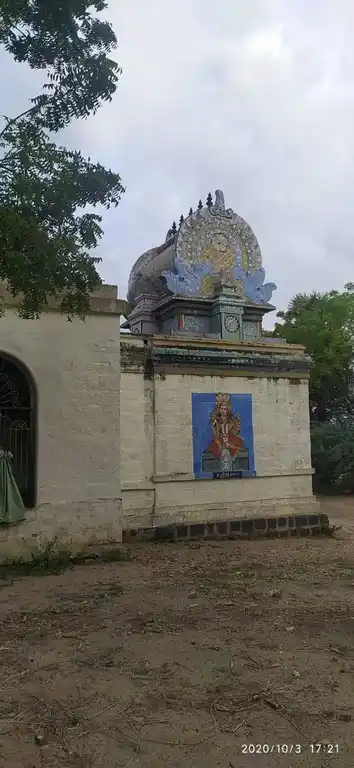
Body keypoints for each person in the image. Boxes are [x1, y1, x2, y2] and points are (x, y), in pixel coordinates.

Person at [208, 393, 244, 473]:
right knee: (224, 452)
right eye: (222, 409)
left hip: (231, 440)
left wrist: (237, 422)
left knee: (231, 451)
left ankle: (229, 469)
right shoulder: (216, 421)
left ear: (228, 410)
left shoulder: (232, 421)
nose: (223, 411)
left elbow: (236, 431)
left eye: (225, 409)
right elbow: (215, 435)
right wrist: (215, 425)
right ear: (219, 409)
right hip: (219, 442)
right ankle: (225, 470)